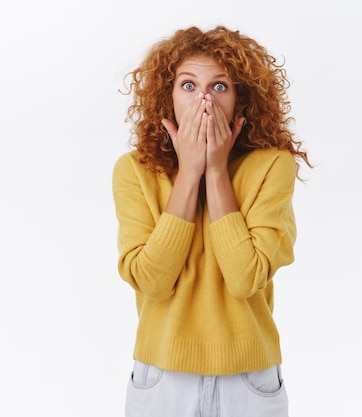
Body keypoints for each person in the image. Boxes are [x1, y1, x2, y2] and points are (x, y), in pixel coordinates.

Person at [112, 25, 311, 417]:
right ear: (167, 98)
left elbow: (245, 278)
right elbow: (152, 280)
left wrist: (216, 172)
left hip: (249, 380)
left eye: (219, 87)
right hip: (162, 379)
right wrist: (189, 174)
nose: (204, 99)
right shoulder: (134, 171)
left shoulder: (272, 165)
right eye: (188, 85)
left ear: (240, 100)